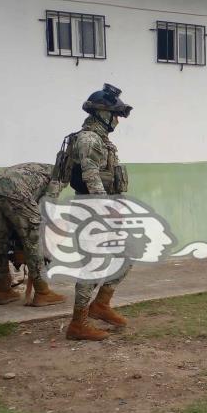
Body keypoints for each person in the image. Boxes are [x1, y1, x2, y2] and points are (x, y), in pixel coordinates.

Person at [64, 84, 133, 341]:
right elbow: (91, 175)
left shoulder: (101, 140)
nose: (117, 119)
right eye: (114, 114)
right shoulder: (89, 139)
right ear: (102, 114)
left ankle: (100, 305)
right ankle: (78, 324)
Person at [0, 163, 66, 306]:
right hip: (16, 190)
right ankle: (42, 293)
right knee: (33, 241)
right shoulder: (60, 176)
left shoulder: (38, 168)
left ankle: (4, 291)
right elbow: (47, 206)